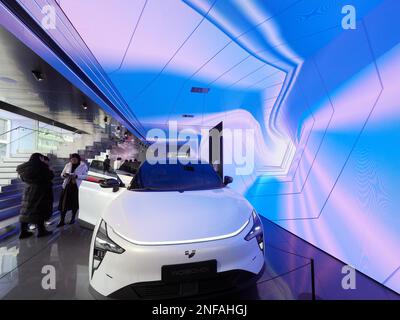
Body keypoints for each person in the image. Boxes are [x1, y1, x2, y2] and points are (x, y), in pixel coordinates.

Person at [17, 153, 54, 239]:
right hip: (41, 191)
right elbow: (49, 176)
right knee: (40, 210)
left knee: (25, 211)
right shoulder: (41, 166)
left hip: (28, 190)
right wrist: (50, 170)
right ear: (39, 158)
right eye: (41, 158)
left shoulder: (24, 168)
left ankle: (23, 232)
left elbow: (23, 179)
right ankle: (41, 231)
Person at [57, 153, 88, 227]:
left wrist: (77, 176)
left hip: (76, 187)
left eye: (75, 159)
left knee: (75, 203)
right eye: (72, 159)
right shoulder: (68, 165)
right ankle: (62, 220)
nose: (73, 161)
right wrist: (64, 175)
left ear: (78, 159)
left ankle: (73, 218)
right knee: (63, 204)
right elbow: (62, 174)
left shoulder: (83, 166)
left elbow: (86, 176)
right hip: (67, 186)